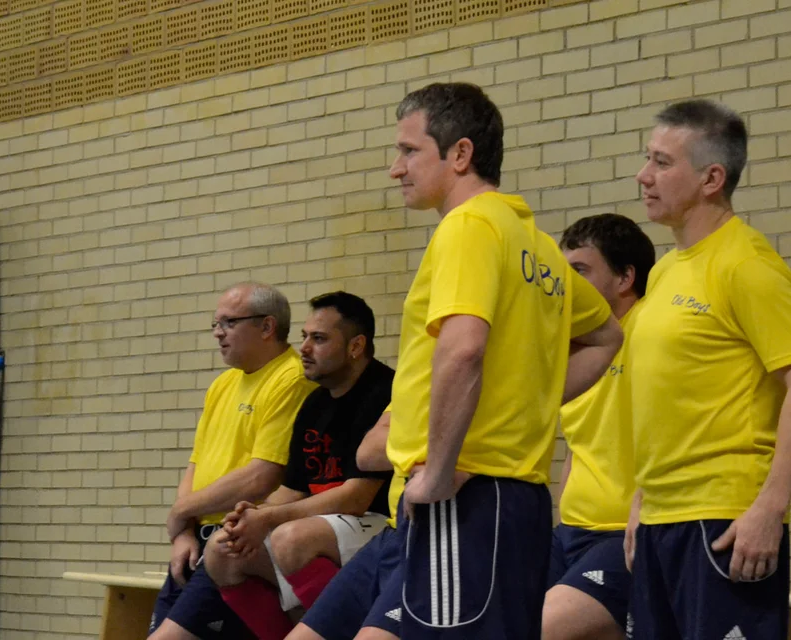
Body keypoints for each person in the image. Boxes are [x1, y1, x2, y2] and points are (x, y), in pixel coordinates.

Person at [290, 82, 623, 640]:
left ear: (461, 154)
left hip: (464, 496)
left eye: (409, 150)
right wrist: (528, 402)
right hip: (513, 500)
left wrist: (439, 470)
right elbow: (606, 336)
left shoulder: (467, 228)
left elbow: (464, 347)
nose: (396, 168)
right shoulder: (535, 246)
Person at [625, 99, 791, 640]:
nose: (644, 176)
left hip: (724, 522)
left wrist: (769, 507)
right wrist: (642, 503)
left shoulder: (748, 265)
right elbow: (671, 401)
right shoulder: (667, 270)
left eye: (662, 163)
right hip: (660, 522)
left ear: (712, 178)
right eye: (647, 159)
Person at [201, 292, 395, 640]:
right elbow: (294, 487)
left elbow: (357, 498)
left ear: (356, 346)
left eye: (318, 339)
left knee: (292, 538)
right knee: (222, 551)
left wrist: (270, 519)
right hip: (324, 526)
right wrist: (251, 515)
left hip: (380, 525)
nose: (303, 348)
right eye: (304, 336)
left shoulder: (385, 392)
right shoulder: (314, 404)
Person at [148, 283, 316, 640]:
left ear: (267, 327)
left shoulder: (291, 379)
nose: (217, 333)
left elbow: (261, 477)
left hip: (236, 540)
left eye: (227, 323)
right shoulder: (222, 385)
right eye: (215, 324)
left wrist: (180, 513)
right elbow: (197, 464)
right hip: (196, 542)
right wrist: (183, 530)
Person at [542, 214, 655, 640]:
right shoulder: (579, 348)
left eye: (580, 272)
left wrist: (648, 507)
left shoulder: (649, 328)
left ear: (626, 277)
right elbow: (579, 442)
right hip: (571, 531)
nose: (567, 285)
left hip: (622, 535)